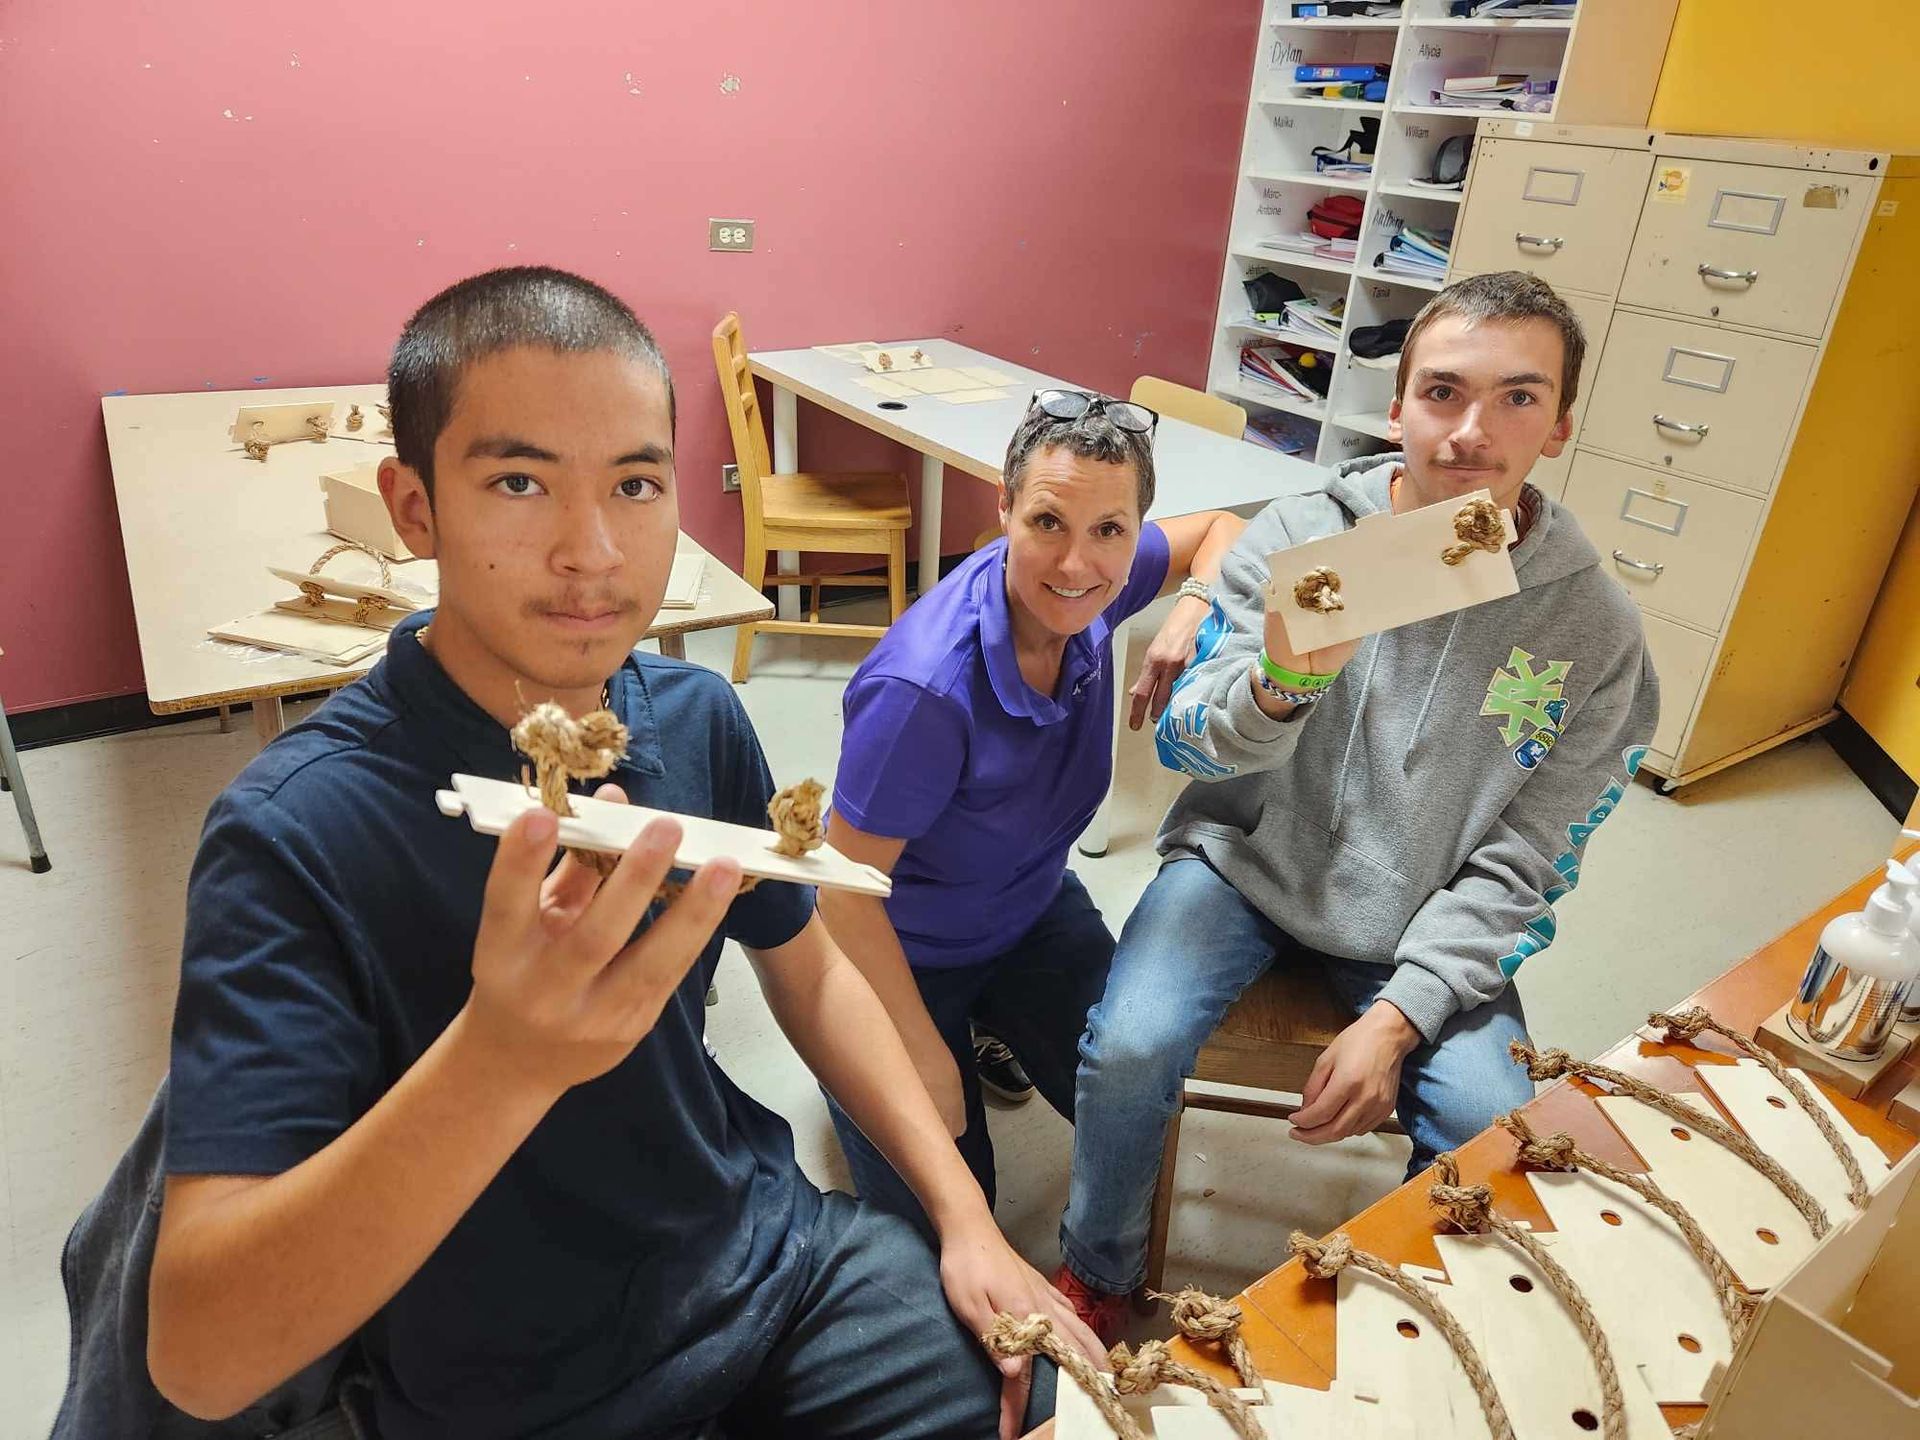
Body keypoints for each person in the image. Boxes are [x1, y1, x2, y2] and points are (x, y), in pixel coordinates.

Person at [144, 266, 1100, 1440]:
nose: (592, 551)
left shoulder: (695, 720)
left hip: (766, 1263)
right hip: (510, 1384)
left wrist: (964, 1214)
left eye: (636, 483)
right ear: (412, 508)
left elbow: (807, 971)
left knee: (1055, 1411)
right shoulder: (295, 830)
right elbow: (198, 1357)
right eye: (517, 481)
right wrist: (502, 1060)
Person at [1058, 271, 1660, 1336]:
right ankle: (1099, 1272)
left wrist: (1399, 1016)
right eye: (1442, 392)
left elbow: (1535, 854)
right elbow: (1189, 740)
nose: (1472, 432)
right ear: (1397, 407)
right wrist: (1278, 687)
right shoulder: (1300, 533)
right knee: (1132, 1040)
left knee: (1490, 1123)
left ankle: (1421, 1320)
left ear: (1560, 425)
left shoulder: (1595, 629)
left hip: (1426, 909)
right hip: (1242, 864)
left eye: (1518, 398)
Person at [818, 391, 1244, 1249]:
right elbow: (839, 890)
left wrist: (1195, 603)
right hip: (901, 947)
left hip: (1027, 908)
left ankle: (989, 1026)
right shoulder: (924, 690)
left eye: (1110, 531)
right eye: (1048, 521)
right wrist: (920, 1055)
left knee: (1142, 1108)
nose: (1078, 563)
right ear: (1003, 507)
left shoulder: (1093, 595)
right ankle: (929, 1044)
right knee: (948, 1216)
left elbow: (1223, 529)